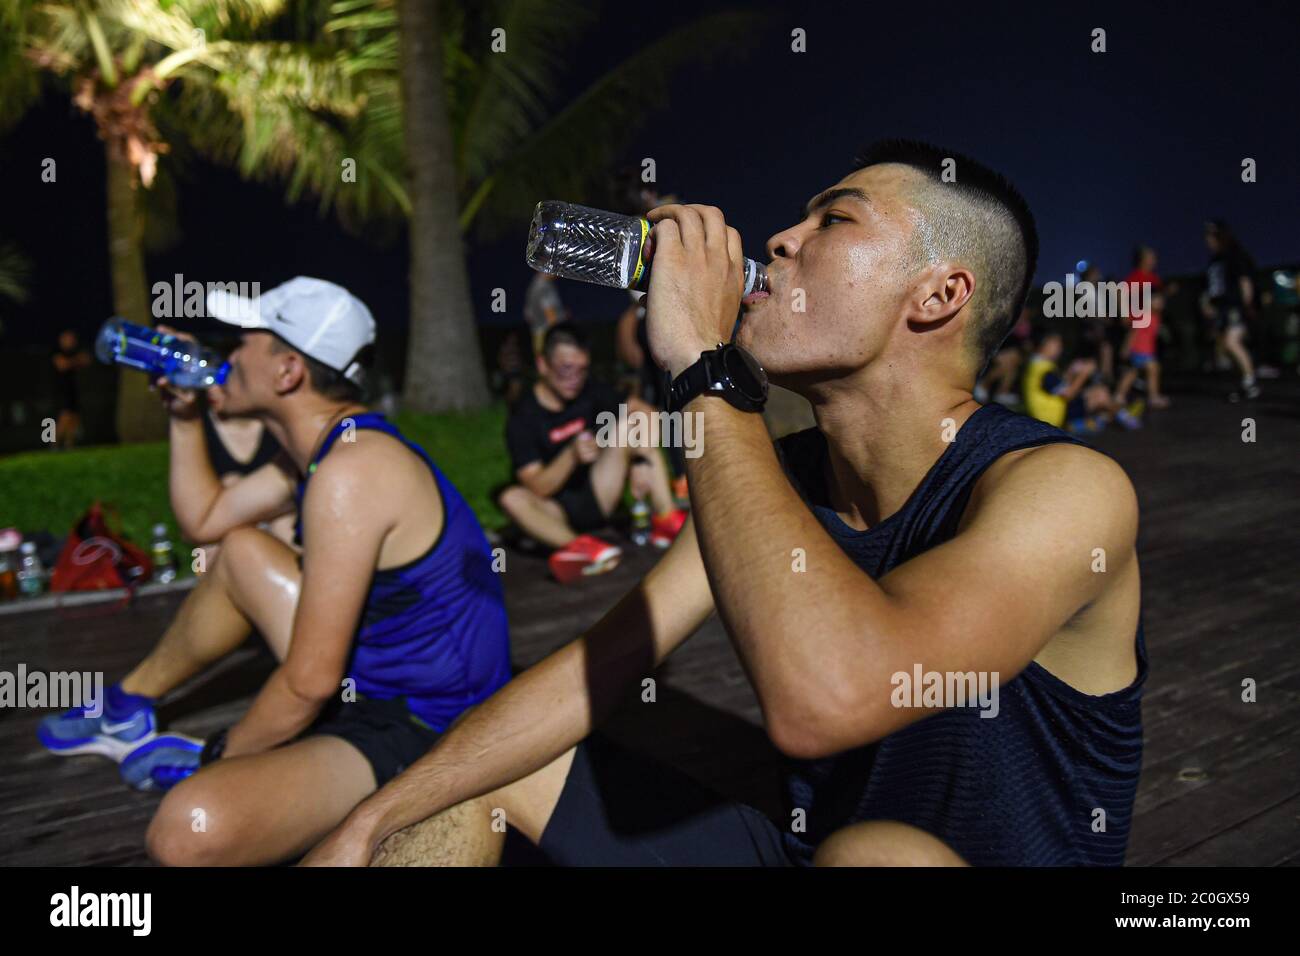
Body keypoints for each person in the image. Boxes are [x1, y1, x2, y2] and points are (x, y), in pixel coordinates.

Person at [305, 140, 1146, 869]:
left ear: (937, 296)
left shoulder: (1063, 489)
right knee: (473, 773)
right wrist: (371, 818)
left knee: (880, 855)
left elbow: (829, 698)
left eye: (835, 222)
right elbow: (601, 666)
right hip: (807, 852)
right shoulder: (782, 479)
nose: (780, 237)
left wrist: (703, 369)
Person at [37, 277, 511, 866]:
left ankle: (243, 766)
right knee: (241, 549)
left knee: (188, 828)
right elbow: (206, 520)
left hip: (432, 728)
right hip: (373, 677)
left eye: (246, 343)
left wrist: (222, 756)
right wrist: (184, 417)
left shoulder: (353, 471)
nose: (229, 355)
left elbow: (309, 683)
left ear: (288, 371)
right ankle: (130, 707)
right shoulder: (327, 452)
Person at [499, 322, 687, 583]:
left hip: (597, 493)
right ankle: (583, 548)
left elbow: (648, 414)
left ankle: (666, 519)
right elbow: (537, 486)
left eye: (581, 370)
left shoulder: (591, 390)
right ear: (543, 365)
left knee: (630, 427)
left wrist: (641, 458)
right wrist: (571, 456)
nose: (574, 379)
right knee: (512, 498)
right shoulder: (523, 417)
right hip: (554, 511)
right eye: (566, 369)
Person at [1024, 328, 1129, 433]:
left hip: (1054, 410)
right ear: (1044, 345)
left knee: (1098, 392)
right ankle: (1121, 416)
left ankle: (1106, 417)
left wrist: (1071, 371)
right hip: (1054, 418)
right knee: (1100, 394)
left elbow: (1060, 385)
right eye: (1056, 343)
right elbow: (1069, 394)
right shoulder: (1044, 371)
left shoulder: (1037, 363)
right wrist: (1084, 373)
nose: (1060, 347)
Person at [1202, 220, 1260, 402]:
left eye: (1210, 236)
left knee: (1231, 342)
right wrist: (1207, 304)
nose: (1207, 240)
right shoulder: (1215, 261)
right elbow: (1212, 287)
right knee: (1225, 347)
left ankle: (1251, 383)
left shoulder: (1235, 254)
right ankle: (1243, 382)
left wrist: (1246, 304)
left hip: (1235, 306)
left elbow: (1245, 281)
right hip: (1221, 308)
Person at [1113, 244, 1169, 409]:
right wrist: (1124, 315)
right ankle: (1126, 395)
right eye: (1150, 257)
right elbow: (1120, 292)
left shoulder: (1154, 279)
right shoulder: (1135, 278)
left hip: (1148, 337)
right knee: (1141, 369)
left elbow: (1159, 298)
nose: (1154, 260)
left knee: (1136, 371)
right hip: (1138, 333)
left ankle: (1122, 395)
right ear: (1142, 259)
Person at [51, 329, 91, 449]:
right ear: (62, 340)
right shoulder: (57, 352)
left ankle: (70, 446)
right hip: (62, 391)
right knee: (65, 417)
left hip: (73, 390)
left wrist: (75, 361)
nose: (71, 341)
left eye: (72, 339)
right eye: (68, 339)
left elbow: (86, 360)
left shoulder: (74, 353)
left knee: (74, 419)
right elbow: (62, 365)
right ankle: (54, 446)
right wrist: (76, 361)